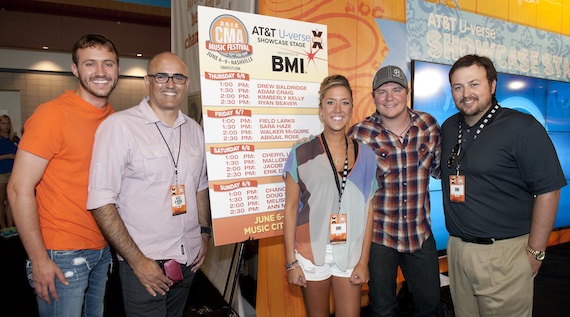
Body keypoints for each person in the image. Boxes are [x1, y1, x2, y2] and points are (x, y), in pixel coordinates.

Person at [87, 51, 211, 317]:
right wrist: (137, 262)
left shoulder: (194, 130)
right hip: (146, 265)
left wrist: (204, 232)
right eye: (161, 76)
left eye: (177, 77)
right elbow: (100, 201)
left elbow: (200, 184)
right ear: (148, 81)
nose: (170, 84)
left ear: (186, 83)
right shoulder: (119, 126)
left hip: (188, 258)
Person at [441, 54, 567, 316]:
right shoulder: (450, 127)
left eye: (474, 84)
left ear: (493, 85)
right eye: (458, 86)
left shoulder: (522, 128)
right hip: (457, 251)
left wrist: (536, 252)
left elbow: (549, 190)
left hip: (504, 255)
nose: (466, 93)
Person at [7, 34, 118, 316]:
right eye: (90, 64)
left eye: (108, 64)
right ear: (74, 69)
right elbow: (18, 189)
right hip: (62, 253)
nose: (101, 72)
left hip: (102, 249)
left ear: (117, 69)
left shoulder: (113, 118)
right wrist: (39, 259)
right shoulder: (52, 115)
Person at [347, 65, 442, 316]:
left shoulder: (429, 126)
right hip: (379, 237)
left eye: (396, 90)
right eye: (382, 91)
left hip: (419, 234)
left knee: (430, 306)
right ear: (373, 96)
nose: (390, 97)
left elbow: (442, 170)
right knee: (382, 308)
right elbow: (348, 191)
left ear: (407, 93)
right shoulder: (359, 134)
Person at [283, 75, 378, 317]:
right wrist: (291, 262)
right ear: (320, 109)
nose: (338, 109)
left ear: (352, 108)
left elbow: (369, 210)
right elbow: (291, 208)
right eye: (330, 102)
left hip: (351, 252)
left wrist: (364, 260)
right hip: (311, 252)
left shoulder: (366, 155)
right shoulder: (301, 151)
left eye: (345, 103)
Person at [0, 114, 19, 238]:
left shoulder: (15, 139)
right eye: (3, 123)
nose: (6, 126)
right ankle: (3, 227)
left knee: (11, 200)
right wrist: (6, 156)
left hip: (13, 172)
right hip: (1, 173)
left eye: (7, 123)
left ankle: (11, 226)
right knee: (1, 201)